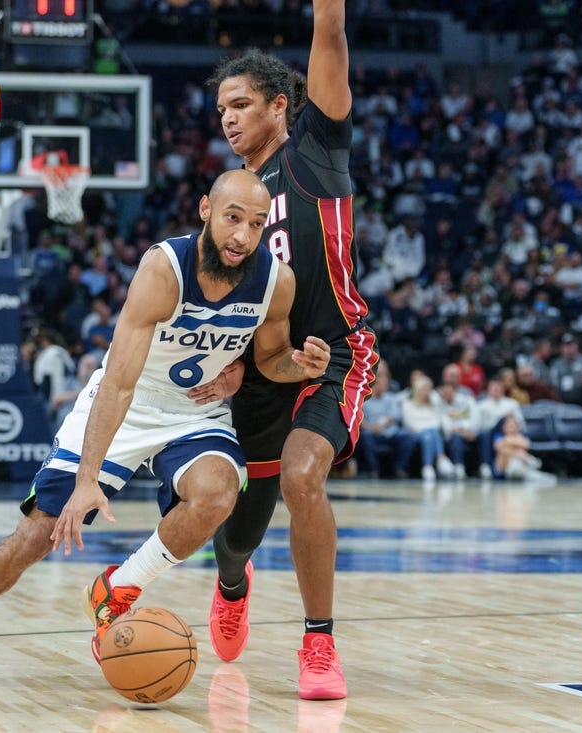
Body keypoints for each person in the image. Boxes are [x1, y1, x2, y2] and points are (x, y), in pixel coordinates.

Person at [0, 170, 331, 691]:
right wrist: (87, 479)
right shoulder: (164, 268)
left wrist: (299, 366)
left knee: (216, 495)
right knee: (35, 537)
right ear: (206, 209)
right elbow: (119, 381)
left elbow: (272, 358)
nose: (242, 236)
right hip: (127, 402)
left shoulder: (275, 280)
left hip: (194, 414)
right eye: (234, 218)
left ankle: (118, 588)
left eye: (257, 225)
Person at [205, 0, 378, 701]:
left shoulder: (316, 150)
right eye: (222, 108)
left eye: (242, 103)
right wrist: (228, 363)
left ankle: (318, 641)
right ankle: (231, 582)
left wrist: (326, 11)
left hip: (334, 351)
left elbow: (330, 32)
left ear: (282, 106)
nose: (229, 117)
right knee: (236, 529)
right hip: (259, 372)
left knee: (306, 475)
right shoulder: (227, 200)